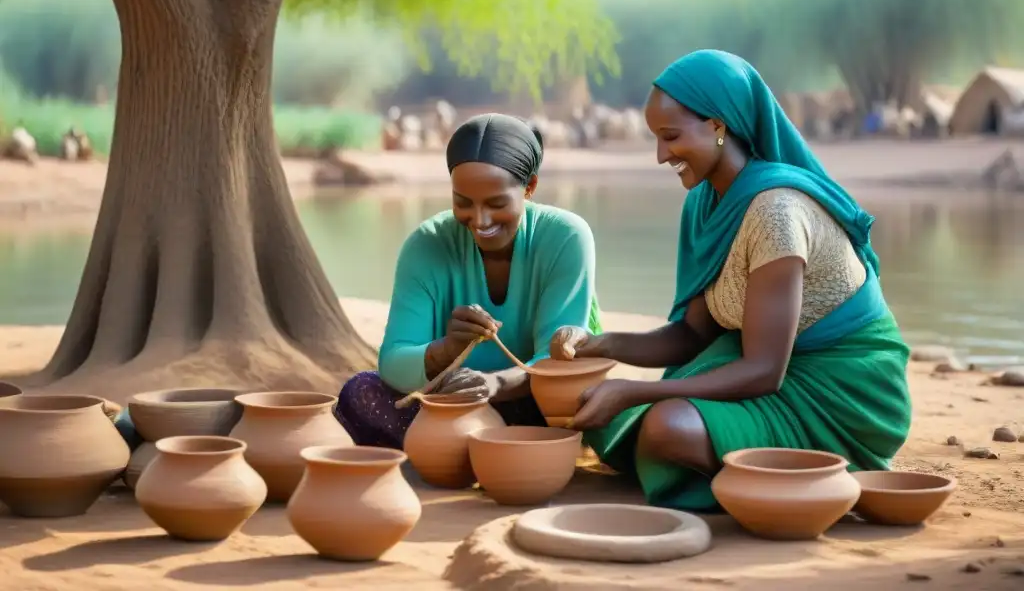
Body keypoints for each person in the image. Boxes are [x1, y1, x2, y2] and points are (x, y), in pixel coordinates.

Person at [549, 49, 912, 511]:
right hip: (771, 372)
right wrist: (599, 343)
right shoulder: (705, 204)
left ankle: (795, 474)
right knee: (606, 415)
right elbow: (692, 336)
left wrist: (635, 390)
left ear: (718, 127)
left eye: (671, 137)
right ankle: (742, 460)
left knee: (664, 427)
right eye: (656, 139)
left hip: (844, 391)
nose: (661, 155)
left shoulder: (775, 213)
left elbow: (764, 370)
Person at [335, 113, 602, 448]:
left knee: (570, 398)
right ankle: (476, 450)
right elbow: (393, 363)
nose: (479, 220)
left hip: (533, 403)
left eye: (496, 203)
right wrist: (443, 351)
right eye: (463, 203)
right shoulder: (427, 244)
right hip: (450, 406)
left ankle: (473, 451)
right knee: (362, 393)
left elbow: (558, 363)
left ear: (530, 187)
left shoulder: (565, 237)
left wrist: (495, 385)